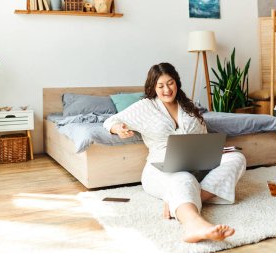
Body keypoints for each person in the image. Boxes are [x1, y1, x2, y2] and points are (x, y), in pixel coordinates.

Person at [103, 62, 246, 243]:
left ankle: (179, 200)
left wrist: (214, 150)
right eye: (160, 85)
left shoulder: (188, 106)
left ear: (176, 82)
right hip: (161, 168)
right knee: (184, 178)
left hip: (198, 164)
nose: (166, 89)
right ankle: (195, 225)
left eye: (170, 83)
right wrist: (118, 129)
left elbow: (202, 135)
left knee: (237, 158)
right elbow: (111, 120)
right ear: (153, 87)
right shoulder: (145, 107)